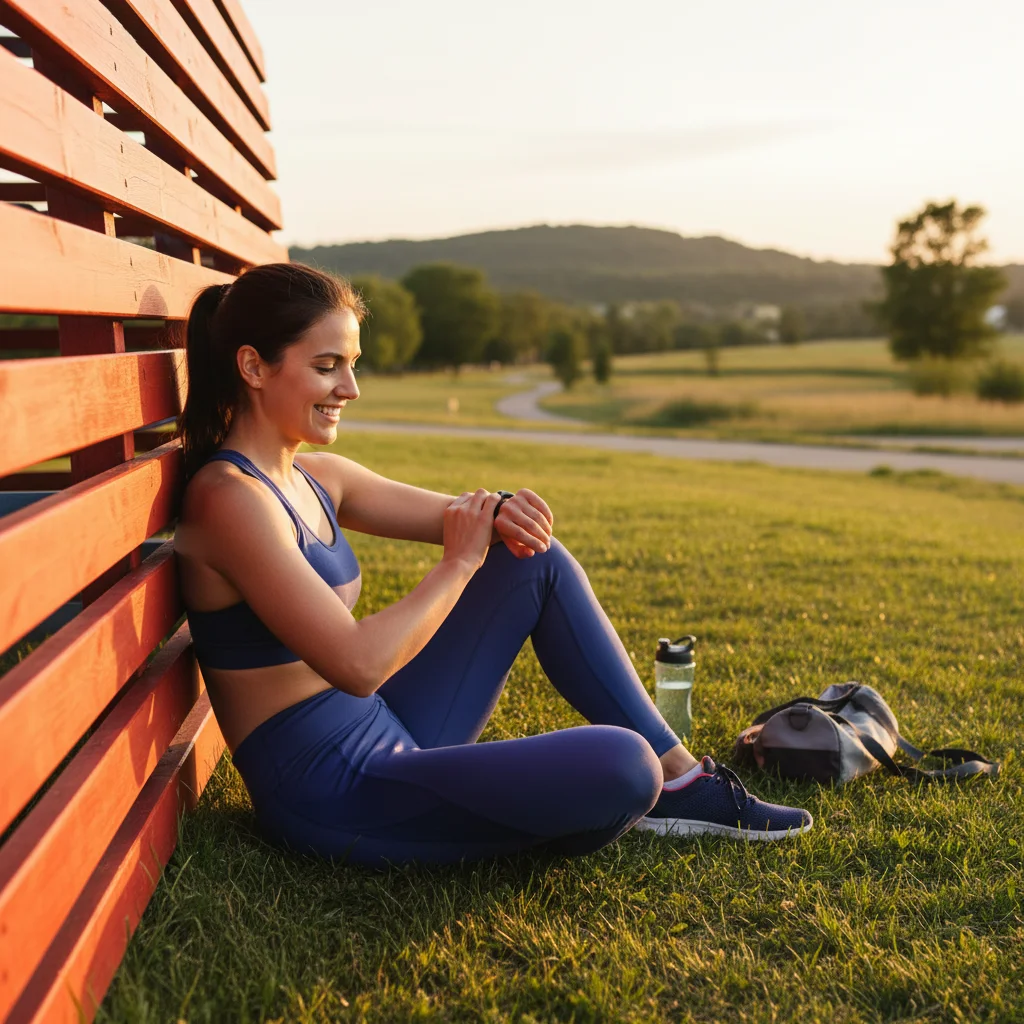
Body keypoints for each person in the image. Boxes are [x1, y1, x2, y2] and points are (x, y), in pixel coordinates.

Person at [174, 263, 812, 868]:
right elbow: (357, 664)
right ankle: (629, 787)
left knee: (533, 563)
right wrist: (456, 565)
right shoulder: (230, 499)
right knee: (621, 766)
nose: (351, 387)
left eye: (353, 364)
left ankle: (684, 780)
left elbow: (467, 517)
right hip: (332, 791)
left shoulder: (315, 477)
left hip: (390, 730)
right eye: (327, 366)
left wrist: (504, 512)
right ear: (254, 367)